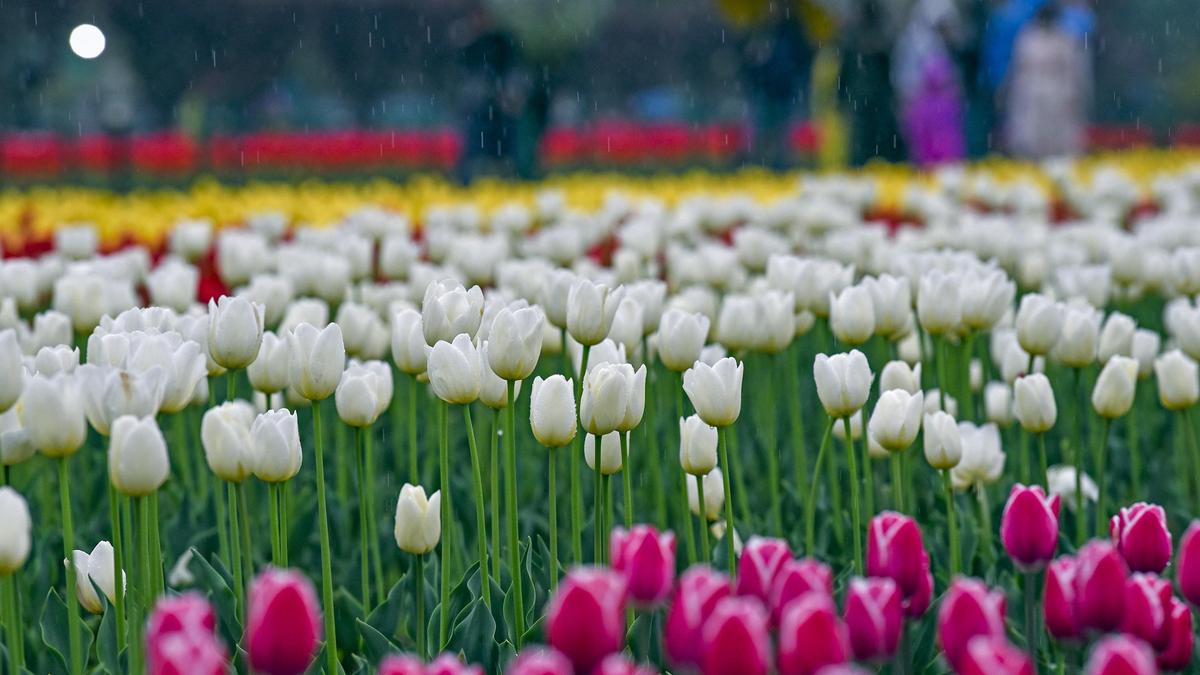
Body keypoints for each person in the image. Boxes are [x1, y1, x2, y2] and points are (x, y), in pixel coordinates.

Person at [1003, 4, 1089, 159]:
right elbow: (1019, 68)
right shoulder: (1028, 37)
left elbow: (1072, 70)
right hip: (1032, 90)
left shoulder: (1065, 37)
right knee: (1030, 135)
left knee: (1059, 134)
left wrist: (1072, 93)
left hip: (1058, 91)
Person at [892, 0, 966, 166]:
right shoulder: (918, 43)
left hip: (940, 111)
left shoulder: (937, 43)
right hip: (926, 109)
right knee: (929, 155)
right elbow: (908, 79)